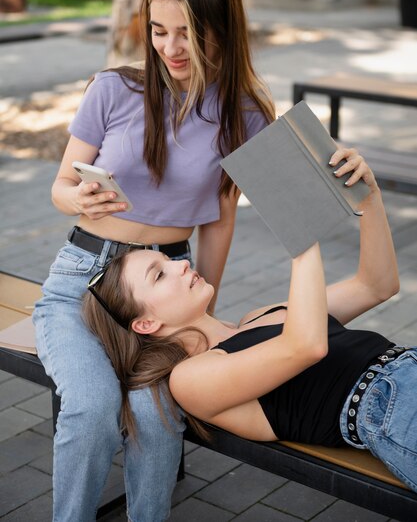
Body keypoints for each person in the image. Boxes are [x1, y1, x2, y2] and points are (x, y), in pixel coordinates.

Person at [33, 0, 275, 522]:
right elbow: (61, 186)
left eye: (188, 33)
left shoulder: (244, 115)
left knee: (156, 414)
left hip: (168, 293)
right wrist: (77, 197)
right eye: (159, 31)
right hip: (84, 283)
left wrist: (203, 314)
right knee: (91, 408)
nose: (170, 48)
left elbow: (219, 221)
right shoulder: (113, 89)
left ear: (223, 31)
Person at [84, 147, 417, 494]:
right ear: (145, 324)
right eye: (159, 276)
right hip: (391, 403)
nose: (181, 264)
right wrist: (299, 236)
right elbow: (307, 347)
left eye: (168, 262)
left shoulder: (259, 316)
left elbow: (376, 286)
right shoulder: (189, 379)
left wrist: (369, 197)